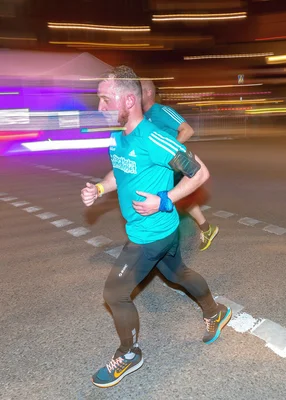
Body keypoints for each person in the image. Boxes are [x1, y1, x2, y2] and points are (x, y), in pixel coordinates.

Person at [81, 66, 231, 388]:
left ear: (129, 99)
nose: (100, 108)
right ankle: (215, 311)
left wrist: (164, 200)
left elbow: (199, 173)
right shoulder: (118, 138)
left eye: (105, 100)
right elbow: (119, 174)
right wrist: (100, 189)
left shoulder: (152, 137)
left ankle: (130, 353)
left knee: (115, 292)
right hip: (161, 231)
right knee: (178, 274)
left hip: (152, 233)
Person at [141, 79, 219, 251]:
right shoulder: (143, 118)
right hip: (157, 169)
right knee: (177, 200)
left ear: (147, 93)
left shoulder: (162, 111)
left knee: (170, 200)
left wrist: (168, 153)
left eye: (138, 90)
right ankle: (206, 229)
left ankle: (160, 242)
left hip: (171, 165)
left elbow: (188, 130)